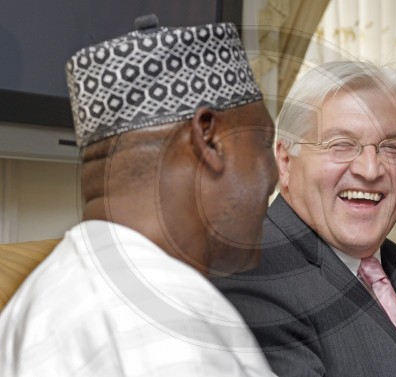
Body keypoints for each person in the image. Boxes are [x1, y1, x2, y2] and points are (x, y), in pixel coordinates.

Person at [0, 18, 279, 376]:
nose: (272, 176)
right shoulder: (160, 322)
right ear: (209, 137)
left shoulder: (50, 291)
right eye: (262, 143)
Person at [214, 60, 396, 377]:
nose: (370, 169)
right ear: (285, 162)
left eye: (392, 147)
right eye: (341, 145)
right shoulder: (255, 278)